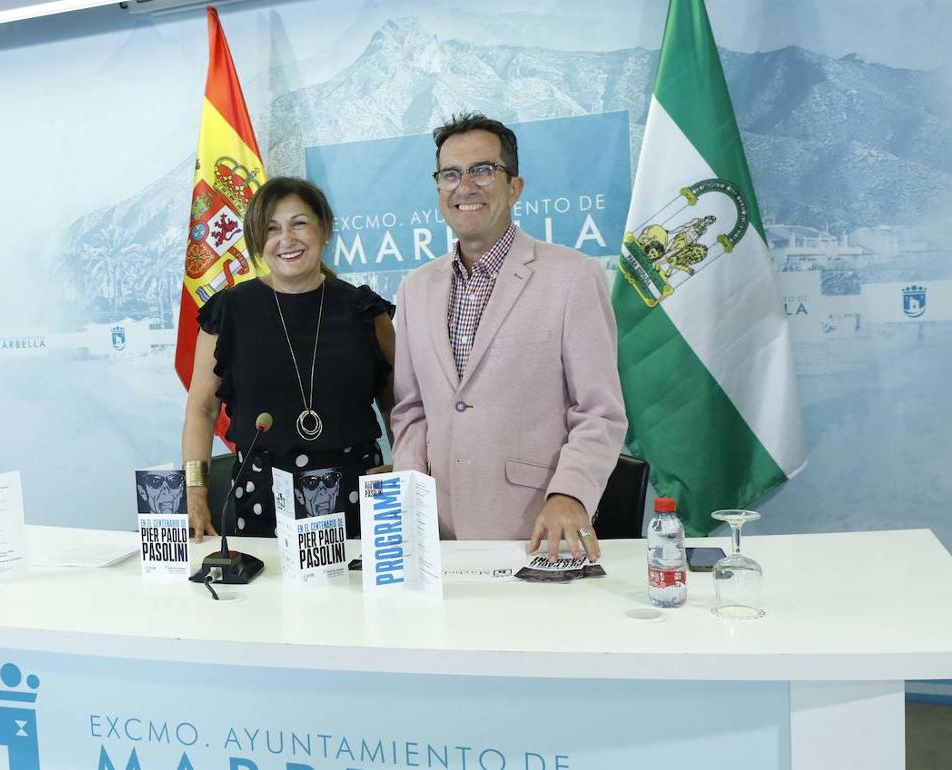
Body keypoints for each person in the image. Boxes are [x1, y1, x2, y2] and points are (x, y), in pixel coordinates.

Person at [390, 113, 627, 560]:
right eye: (450, 174)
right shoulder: (414, 288)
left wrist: (571, 495)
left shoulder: (573, 277)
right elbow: (410, 409)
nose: (465, 186)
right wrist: (409, 497)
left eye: (483, 170)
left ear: (514, 187)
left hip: (536, 530)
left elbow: (599, 413)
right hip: (435, 538)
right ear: (438, 188)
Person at [182, 177, 395, 542]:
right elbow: (202, 410)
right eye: (271, 228)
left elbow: (399, 406)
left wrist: (404, 469)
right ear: (256, 240)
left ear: (324, 228)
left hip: (359, 498)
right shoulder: (229, 312)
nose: (287, 239)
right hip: (262, 500)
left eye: (299, 223)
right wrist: (196, 493)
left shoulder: (365, 310)